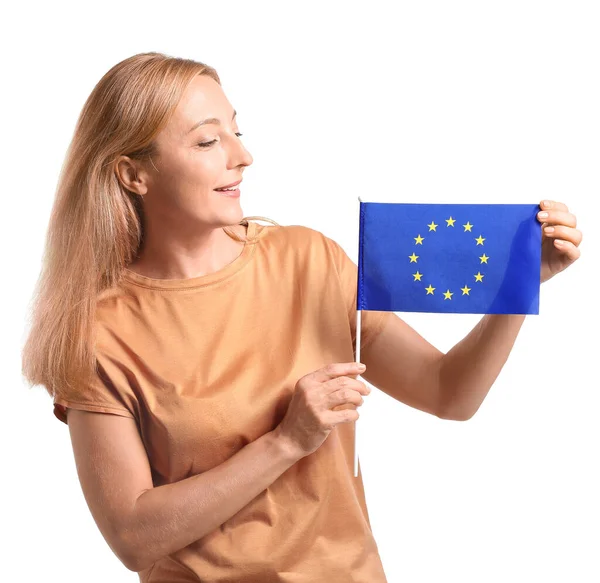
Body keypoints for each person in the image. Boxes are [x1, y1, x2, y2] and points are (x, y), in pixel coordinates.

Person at [21, 52, 583, 583]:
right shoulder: (99, 333)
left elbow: (449, 394)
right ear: (132, 174)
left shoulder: (308, 260)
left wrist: (517, 286)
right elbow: (133, 536)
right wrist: (287, 440)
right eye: (208, 140)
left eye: (236, 131)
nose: (242, 156)